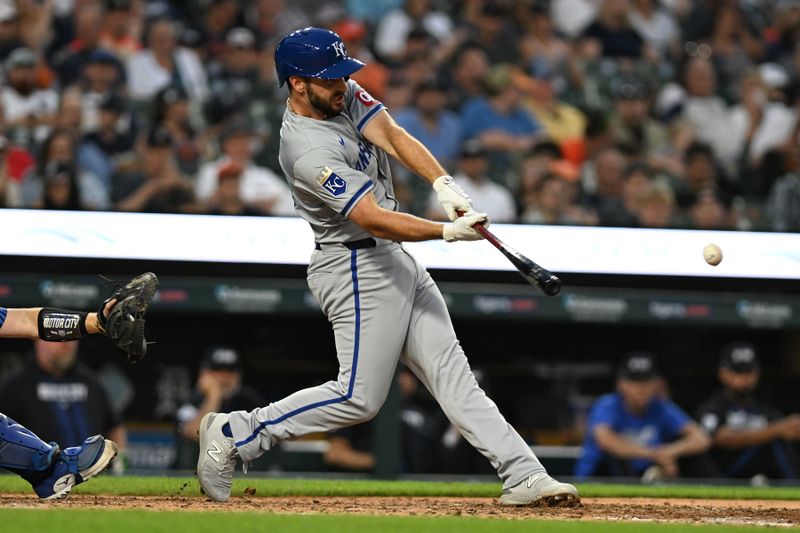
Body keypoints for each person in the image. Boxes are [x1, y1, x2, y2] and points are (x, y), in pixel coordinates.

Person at [197, 27, 579, 507]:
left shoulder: (337, 95)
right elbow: (371, 217)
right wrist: (445, 232)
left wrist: (442, 183)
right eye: (329, 78)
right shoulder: (306, 148)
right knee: (358, 397)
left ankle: (523, 474)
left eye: (343, 74)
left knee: (452, 375)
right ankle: (236, 432)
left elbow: (392, 135)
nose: (342, 84)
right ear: (297, 83)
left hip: (391, 258)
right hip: (353, 265)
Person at [0, 272, 156, 499]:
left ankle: (50, 470)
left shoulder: (89, 381)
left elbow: (27, 321)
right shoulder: (19, 382)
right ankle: (50, 469)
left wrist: (96, 321)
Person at [574, 352, 711, 479]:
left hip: (639, 478)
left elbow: (701, 439)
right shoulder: (607, 404)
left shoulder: (660, 406)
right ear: (620, 383)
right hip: (598, 479)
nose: (641, 388)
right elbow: (606, 440)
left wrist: (669, 452)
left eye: (646, 381)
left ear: (656, 384)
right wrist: (653, 454)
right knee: (613, 457)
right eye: (634, 381)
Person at [696, 342, 800, 479]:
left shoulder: (765, 410)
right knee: (775, 439)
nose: (745, 378)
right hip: (724, 475)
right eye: (738, 372)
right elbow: (723, 440)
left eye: (749, 371)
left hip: (765, 473)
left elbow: (790, 431)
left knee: (781, 442)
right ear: (723, 373)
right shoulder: (713, 408)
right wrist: (777, 430)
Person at [174, 346, 264, 469]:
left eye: (230, 371)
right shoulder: (193, 399)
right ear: (204, 374)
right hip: (191, 478)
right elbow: (194, 434)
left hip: (243, 476)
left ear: (239, 375)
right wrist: (213, 396)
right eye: (217, 370)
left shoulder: (249, 401)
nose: (224, 377)